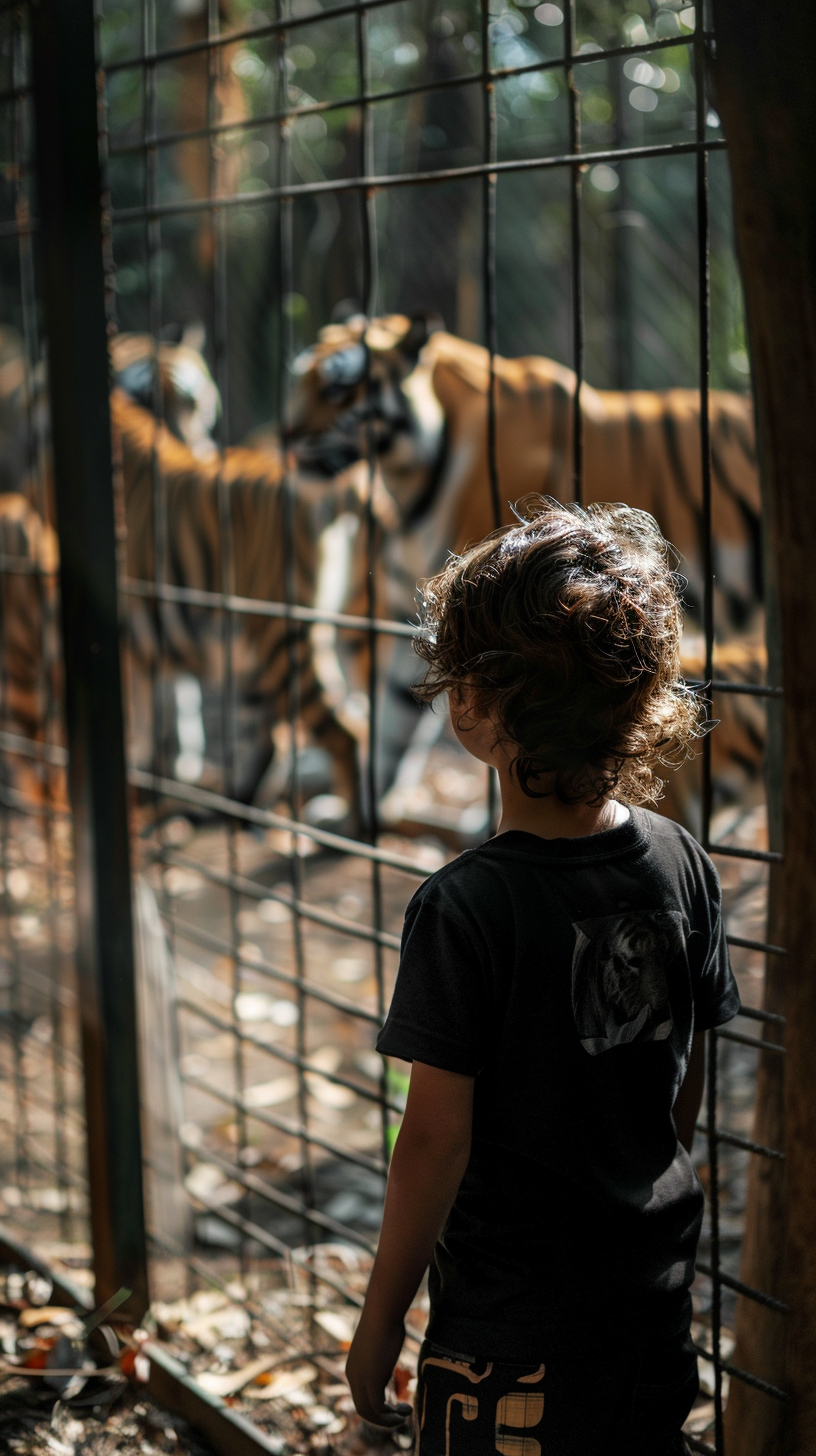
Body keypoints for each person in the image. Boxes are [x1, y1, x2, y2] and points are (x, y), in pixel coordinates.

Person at [345, 498, 740, 1455]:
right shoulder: (681, 862)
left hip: (504, 1339)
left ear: (478, 706)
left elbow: (434, 1141)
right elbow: (681, 1079)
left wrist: (380, 1321)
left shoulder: (463, 909)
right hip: (649, 1309)